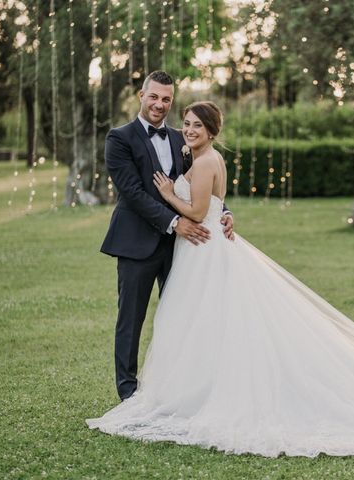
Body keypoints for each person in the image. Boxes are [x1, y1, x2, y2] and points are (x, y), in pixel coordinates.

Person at [87, 101, 354, 458]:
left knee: (201, 321)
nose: (187, 127)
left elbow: (199, 209)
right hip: (176, 245)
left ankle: (201, 392)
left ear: (211, 130)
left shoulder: (202, 157)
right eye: (186, 121)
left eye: (195, 123)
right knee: (187, 320)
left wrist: (170, 197)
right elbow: (190, 197)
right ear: (146, 99)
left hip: (198, 245)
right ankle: (161, 388)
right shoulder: (163, 146)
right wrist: (220, 211)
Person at [100, 71, 233, 401]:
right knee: (131, 319)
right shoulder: (120, 138)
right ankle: (129, 392)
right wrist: (175, 222)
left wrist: (224, 212)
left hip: (182, 248)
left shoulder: (181, 138)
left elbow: (197, 186)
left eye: (167, 99)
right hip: (137, 243)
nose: (160, 104)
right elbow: (132, 192)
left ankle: (182, 388)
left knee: (183, 316)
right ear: (141, 96)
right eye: (154, 97)